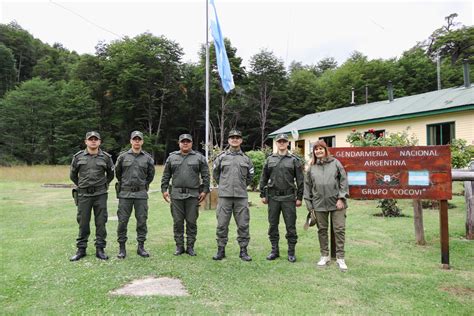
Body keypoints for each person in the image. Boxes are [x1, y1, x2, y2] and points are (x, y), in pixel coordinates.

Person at [304, 139, 349, 271]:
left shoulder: (335, 163)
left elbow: (343, 180)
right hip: (318, 204)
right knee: (322, 230)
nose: (318, 151)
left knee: (339, 230)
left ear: (325, 150)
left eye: (320, 148)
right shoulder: (311, 167)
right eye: (316, 149)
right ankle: (324, 256)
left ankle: (340, 257)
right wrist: (309, 205)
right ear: (314, 152)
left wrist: (341, 198)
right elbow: (307, 187)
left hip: (336, 203)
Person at [161, 134, 210, 256]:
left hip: (193, 195)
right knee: (177, 222)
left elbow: (206, 175)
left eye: (188, 141)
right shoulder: (172, 158)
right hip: (176, 194)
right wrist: (164, 189)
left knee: (191, 222)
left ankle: (190, 247)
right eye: (183, 141)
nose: (185, 143)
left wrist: (204, 191)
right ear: (179, 143)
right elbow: (166, 175)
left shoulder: (199, 157)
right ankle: (179, 247)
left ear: (192, 143)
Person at [70, 131, 114, 261]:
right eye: (91, 139)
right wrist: (82, 185)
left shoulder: (106, 157)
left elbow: (111, 175)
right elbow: (73, 175)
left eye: (96, 139)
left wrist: (103, 185)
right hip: (84, 194)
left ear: (99, 142)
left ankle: (100, 249)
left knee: (101, 222)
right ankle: (81, 249)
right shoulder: (78, 157)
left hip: (100, 194)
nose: (93, 141)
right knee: (83, 222)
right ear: (86, 142)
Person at [259, 133, 304, 263]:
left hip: (289, 197)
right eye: (279, 141)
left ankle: (291, 252)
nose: (282, 143)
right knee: (273, 225)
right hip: (273, 197)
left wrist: (299, 197)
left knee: (291, 226)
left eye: (284, 141)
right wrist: (262, 194)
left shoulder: (294, 160)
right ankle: (274, 250)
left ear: (288, 143)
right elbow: (263, 178)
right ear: (276, 143)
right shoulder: (270, 159)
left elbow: (300, 180)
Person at [212, 129, 254, 261]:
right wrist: (224, 185)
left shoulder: (246, 159)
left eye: (237, 137)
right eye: (232, 137)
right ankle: (221, 250)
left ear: (241, 140)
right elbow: (216, 174)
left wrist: (241, 186)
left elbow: (250, 177)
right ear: (228, 140)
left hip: (241, 197)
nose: (235, 139)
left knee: (243, 225)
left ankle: (243, 251)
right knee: (222, 224)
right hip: (225, 196)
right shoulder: (221, 157)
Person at [115, 131, 155, 259]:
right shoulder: (122, 157)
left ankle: (141, 247)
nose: (137, 141)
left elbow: (150, 175)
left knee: (142, 221)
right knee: (122, 221)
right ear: (131, 141)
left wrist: (142, 185)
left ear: (142, 141)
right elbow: (118, 173)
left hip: (141, 194)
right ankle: (122, 248)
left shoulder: (148, 158)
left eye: (139, 139)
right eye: (134, 139)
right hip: (125, 193)